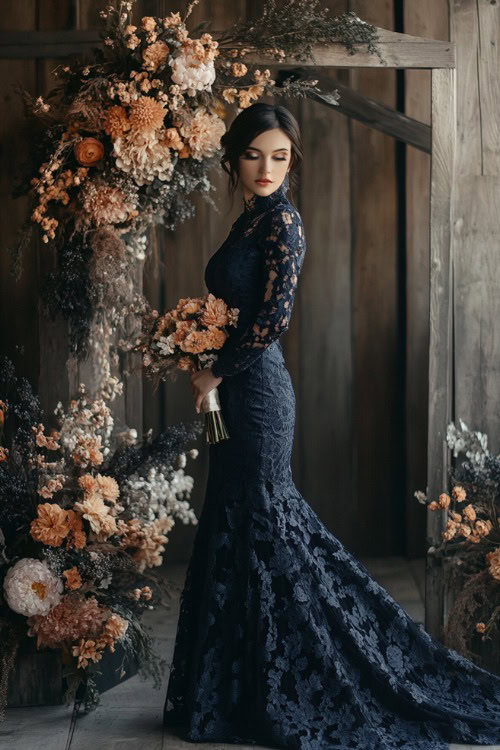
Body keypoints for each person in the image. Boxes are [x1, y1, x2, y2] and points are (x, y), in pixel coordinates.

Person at [163, 102, 500, 749]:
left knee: (268, 526)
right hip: (234, 388)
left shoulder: (283, 223)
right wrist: (199, 347)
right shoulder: (249, 220)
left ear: (292, 162)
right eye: (256, 154)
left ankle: (331, 669)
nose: (267, 168)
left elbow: (271, 323)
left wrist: (214, 370)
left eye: (280, 156)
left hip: (257, 393)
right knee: (235, 523)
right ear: (234, 158)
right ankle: (233, 693)